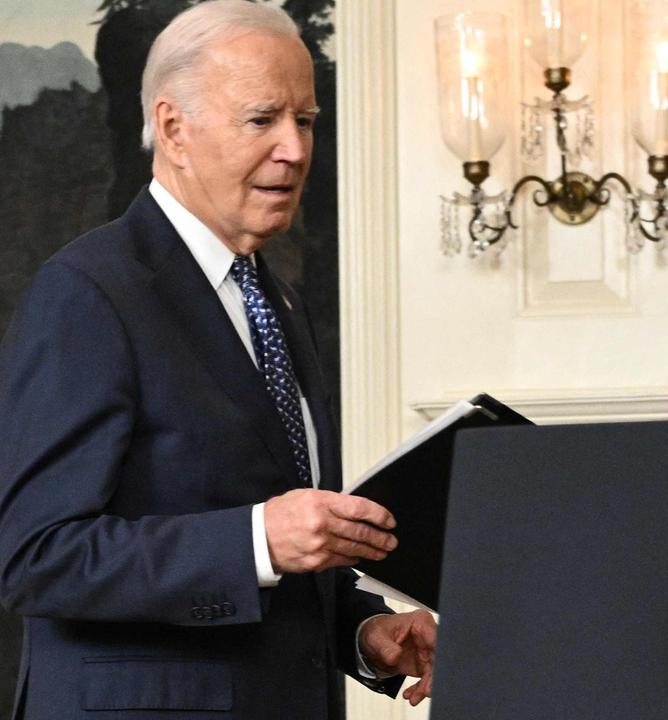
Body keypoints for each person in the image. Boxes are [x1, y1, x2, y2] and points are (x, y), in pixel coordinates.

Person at [0, 2, 435, 717]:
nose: (294, 149)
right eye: (263, 119)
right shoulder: (86, 293)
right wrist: (258, 536)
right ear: (173, 130)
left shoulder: (277, 301)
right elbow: (38, 558)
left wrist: (363, 631)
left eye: (307, 121)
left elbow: (277, 556)